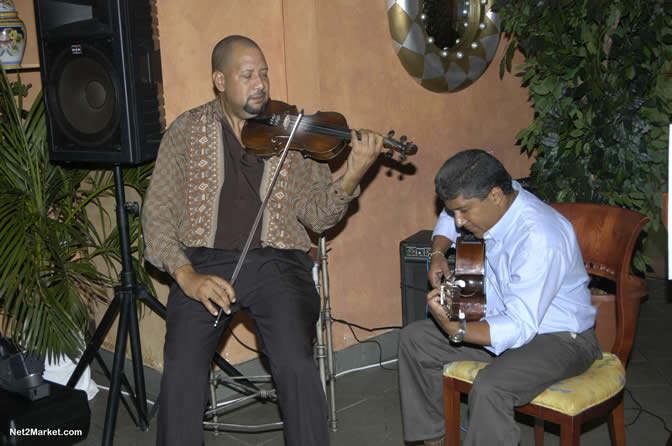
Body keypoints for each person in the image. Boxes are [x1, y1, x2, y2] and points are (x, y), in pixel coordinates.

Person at [142, 35, 384, 446]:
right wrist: (185, 275)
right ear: (220, 80)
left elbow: (317, 216)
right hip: (202, 264)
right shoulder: (186, 131)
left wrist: (353, 174)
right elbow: (157, 211)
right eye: (248, 75)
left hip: (278, 263)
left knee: (294, 361)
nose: (261, 84)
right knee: (182, 369)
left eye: (265, 74)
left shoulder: (292, 133)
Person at [398, 149, 602, 446]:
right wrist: (438, 252)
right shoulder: (503, 193)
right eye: (455, 211)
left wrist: (460, 330)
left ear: (494, 196)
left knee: (491, 387)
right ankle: (433, 441)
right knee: (414, 340)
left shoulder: (540, 237)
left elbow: (520, 326)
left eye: (464, 211)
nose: (458, 221)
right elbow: (449, 213)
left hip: (561, 338)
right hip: (501, 318)